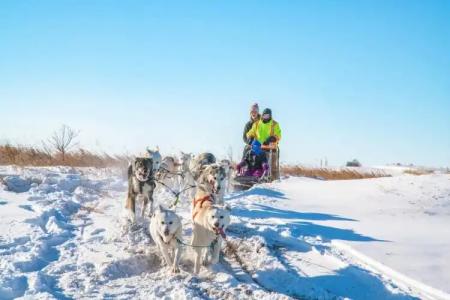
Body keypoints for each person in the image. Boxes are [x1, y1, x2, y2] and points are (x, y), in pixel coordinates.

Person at [246, 108, 282, 180]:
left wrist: (273, 138)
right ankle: (250, 174)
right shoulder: (256, 124)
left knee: (271, 167)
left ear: (270, 116)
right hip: (258, 147)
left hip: (270, 148)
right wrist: (250, 137)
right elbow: (250, 133)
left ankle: (273, 180)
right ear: (262, 115)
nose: (265, 117)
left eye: (267, 115)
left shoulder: (275, 124)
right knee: (251, 158)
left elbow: (278, 135)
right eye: (264, 115)